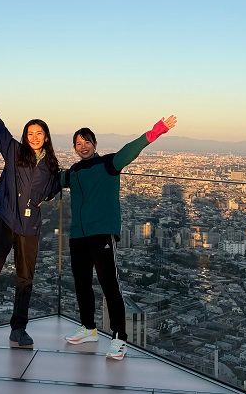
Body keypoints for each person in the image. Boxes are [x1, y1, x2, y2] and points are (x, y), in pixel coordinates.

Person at [61, 114, 177, 360]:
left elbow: (130, 150)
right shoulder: (73, 171)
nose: (83, 146)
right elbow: (50, 180)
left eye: (87, 141)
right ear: (74, 148)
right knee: (81, 283)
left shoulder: (108, 164)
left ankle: (119, 337)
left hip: (101, 232)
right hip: (77, 235)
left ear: (95, 144)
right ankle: (89, 328)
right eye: (78, 143)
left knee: (108, 284)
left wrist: (156, 131)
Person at [0, 78, 60, 352]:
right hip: (5, 221)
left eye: (39, 133)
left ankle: (19, 328)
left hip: (29, 227)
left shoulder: (51, 166)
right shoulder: (14, 151)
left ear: (46, 136)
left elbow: (54, 189)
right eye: (30, 133)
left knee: (25, 279)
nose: (34, 137)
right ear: (25, 136)